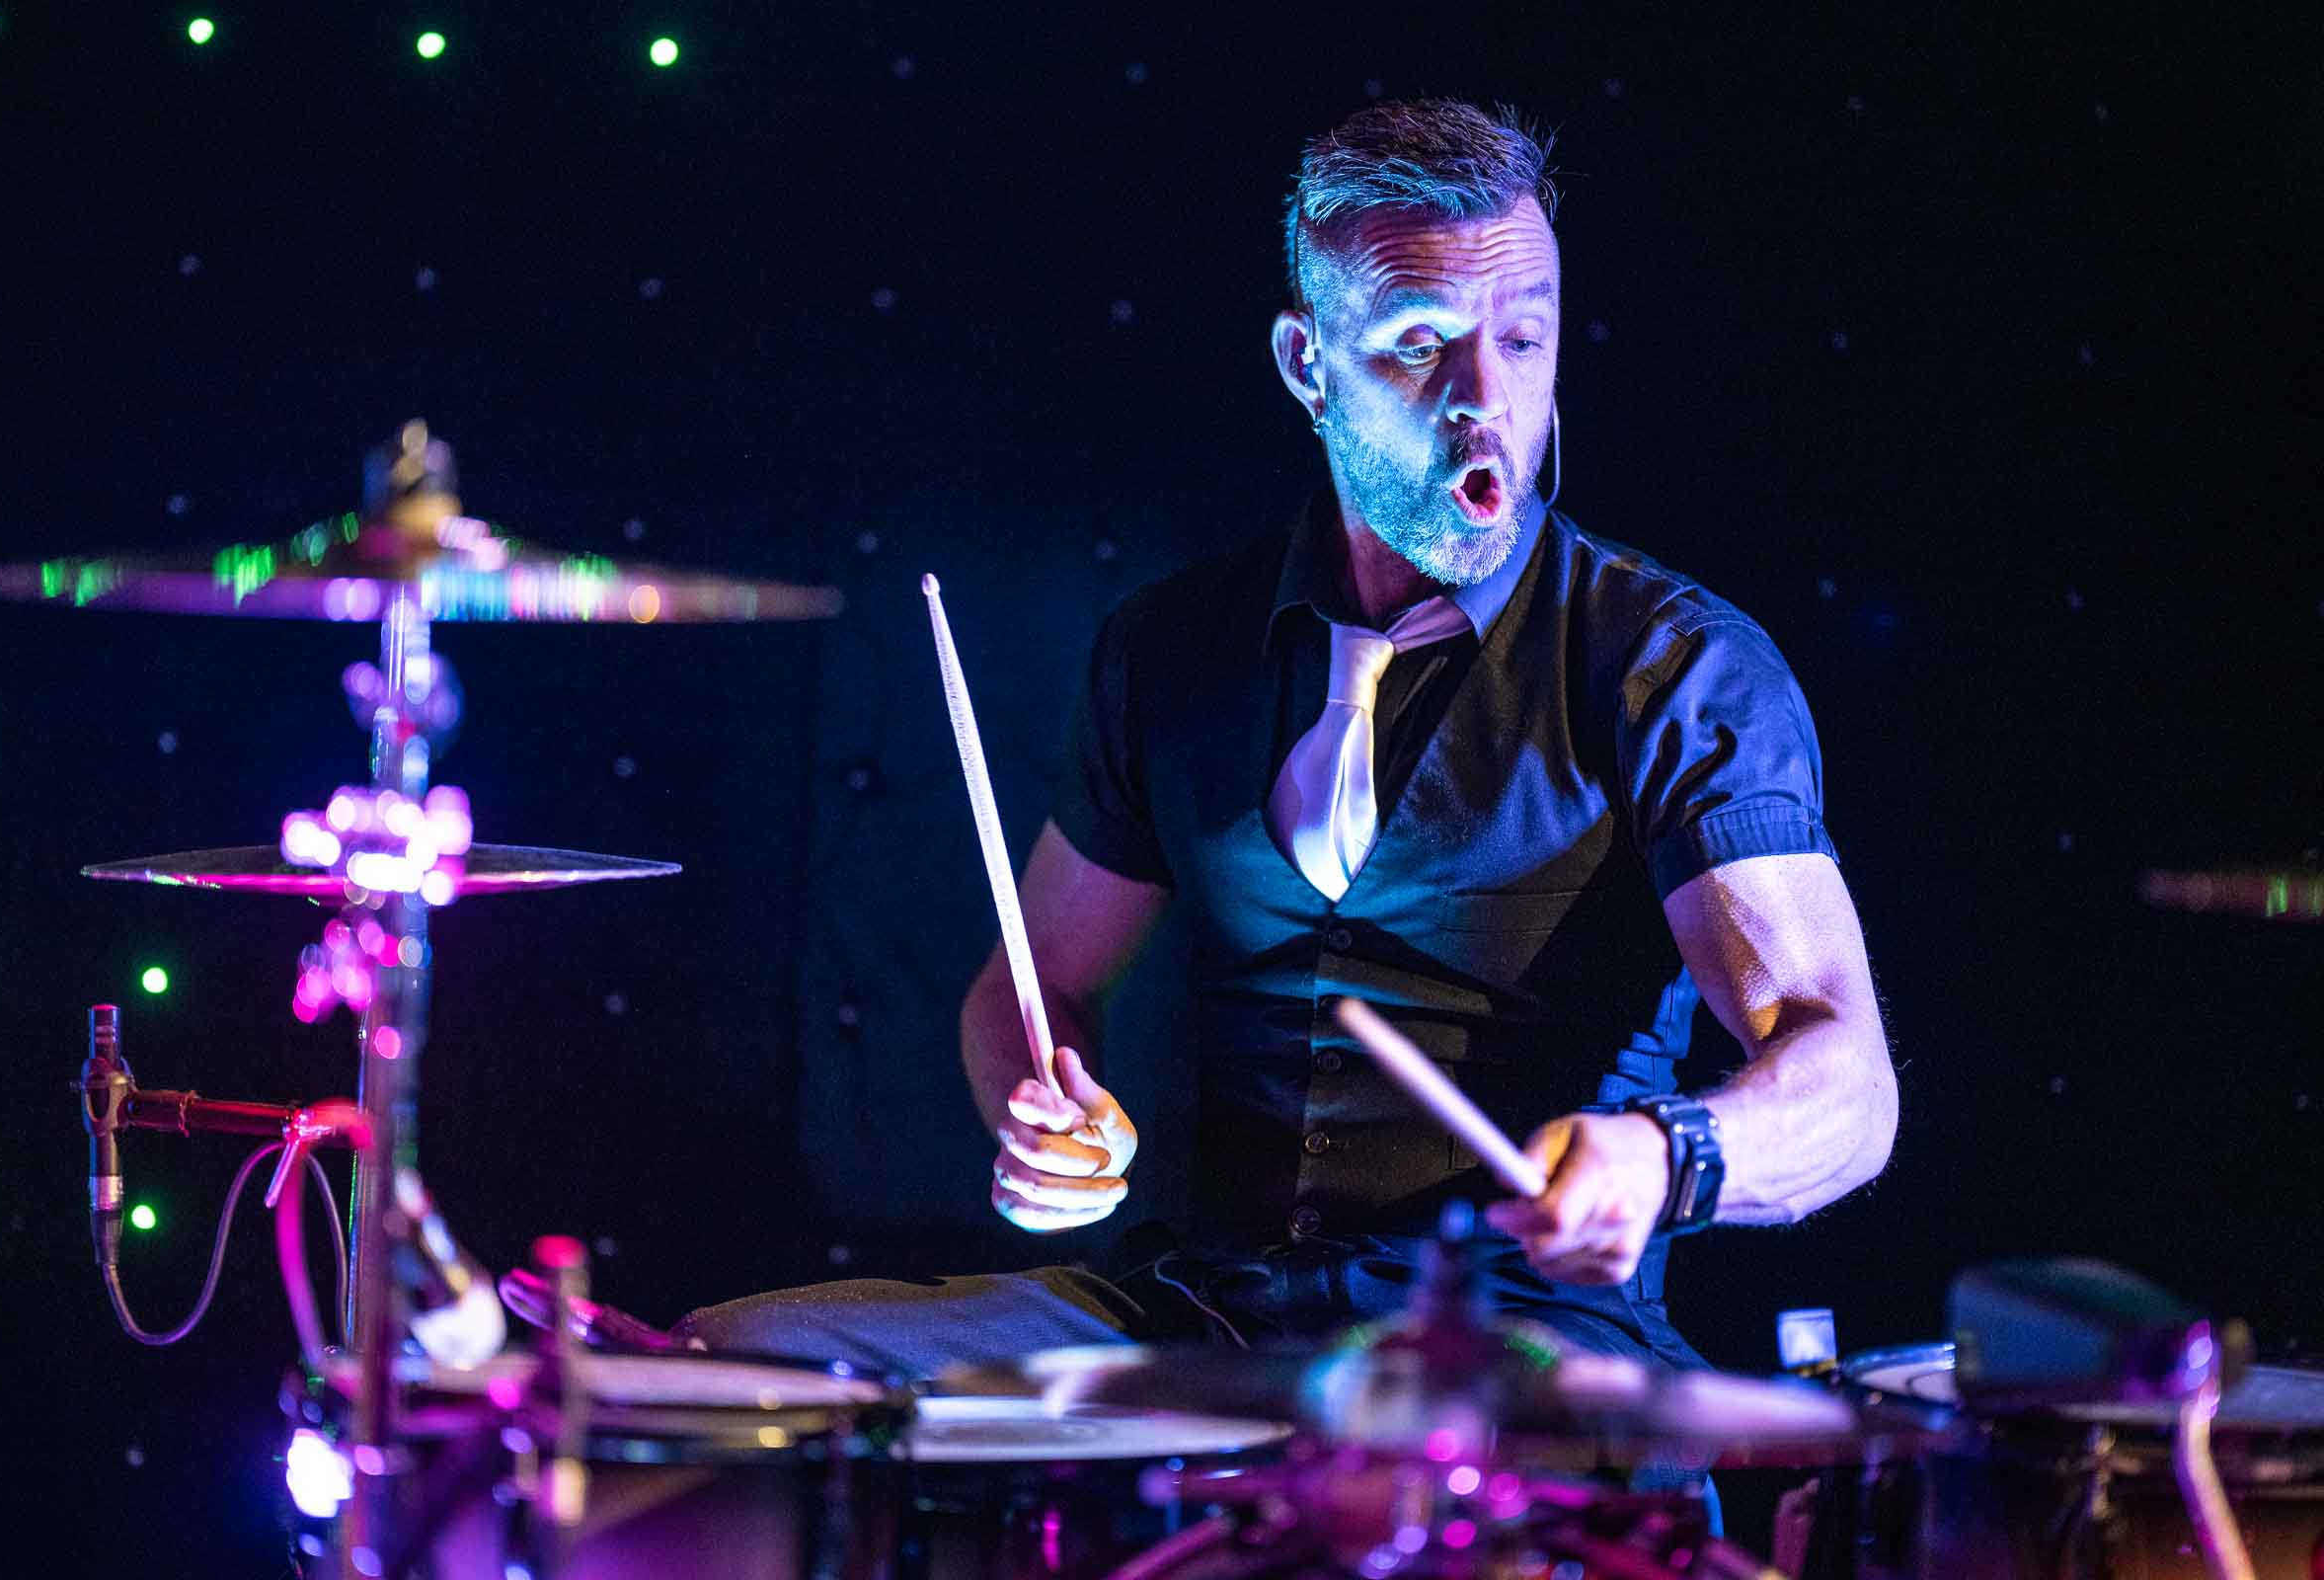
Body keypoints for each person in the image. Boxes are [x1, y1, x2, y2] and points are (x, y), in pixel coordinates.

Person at [677, 99, 1897, 1379]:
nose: (1486, 399)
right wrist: (1047, 1111)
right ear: (1308, 364)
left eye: (1522, 339)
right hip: (1209, 1313)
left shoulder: (1673, 665)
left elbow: (1850, 1086)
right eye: (1422, 343)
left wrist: (1669, 1157)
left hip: (1519, 1344)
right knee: (736, 1363)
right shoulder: (1173, 646)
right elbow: (1031, 992)